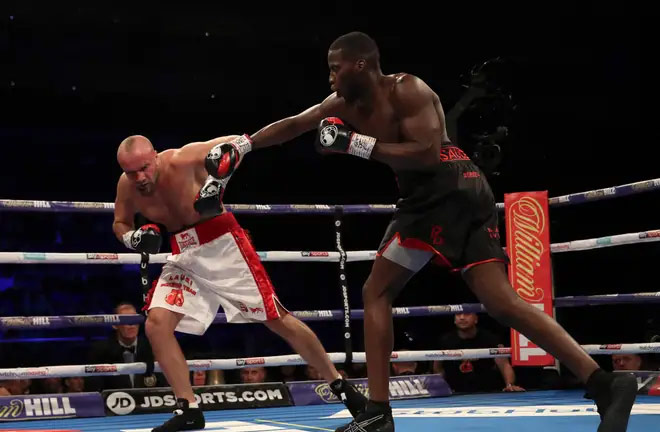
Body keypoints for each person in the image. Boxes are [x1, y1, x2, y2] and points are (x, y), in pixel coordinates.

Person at [222, 31, 638, 432]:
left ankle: (378, 413)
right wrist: (244, 145)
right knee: (503, 304)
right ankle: (602, 382)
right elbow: (296, 123)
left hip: (442, 194)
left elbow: (425, 153)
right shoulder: (342, 103)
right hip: (454, 197)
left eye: (336, 68)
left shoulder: (408, 90)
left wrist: (355, 145)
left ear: (361, 64)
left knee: (377, 291)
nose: (330, 77)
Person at [113, 134, 366, 432]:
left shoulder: (183, 159)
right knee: (156, 324)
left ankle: (344, 390)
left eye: (144, 167)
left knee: (276, 319)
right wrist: (133, 238)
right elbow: (121, 222)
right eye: (132, 172)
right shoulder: (127, 186)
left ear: (155, 155)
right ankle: (188, 409)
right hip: (184, 252)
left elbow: (239, 142)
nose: (140, 177)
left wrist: (216, 184)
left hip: (222, 243)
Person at [433, 313, 524, 393]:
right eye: (458, 314)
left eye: (467, 314)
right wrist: (442, 388)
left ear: (476, 319)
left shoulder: (490, 338)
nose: (462, 317)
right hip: (456, 391)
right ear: (454, 320)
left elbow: (504, 365)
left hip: (488, 391)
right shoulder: (445, 340)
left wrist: (510, 385)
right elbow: (438, 368)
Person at [86, 301, 166, 391]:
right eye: (125, 320)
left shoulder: (152, 347)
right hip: (114, 402)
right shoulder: (101, 351)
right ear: (115, 325)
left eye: (134, 320)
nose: (131, 325)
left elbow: (164, 385)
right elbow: (95, 388)